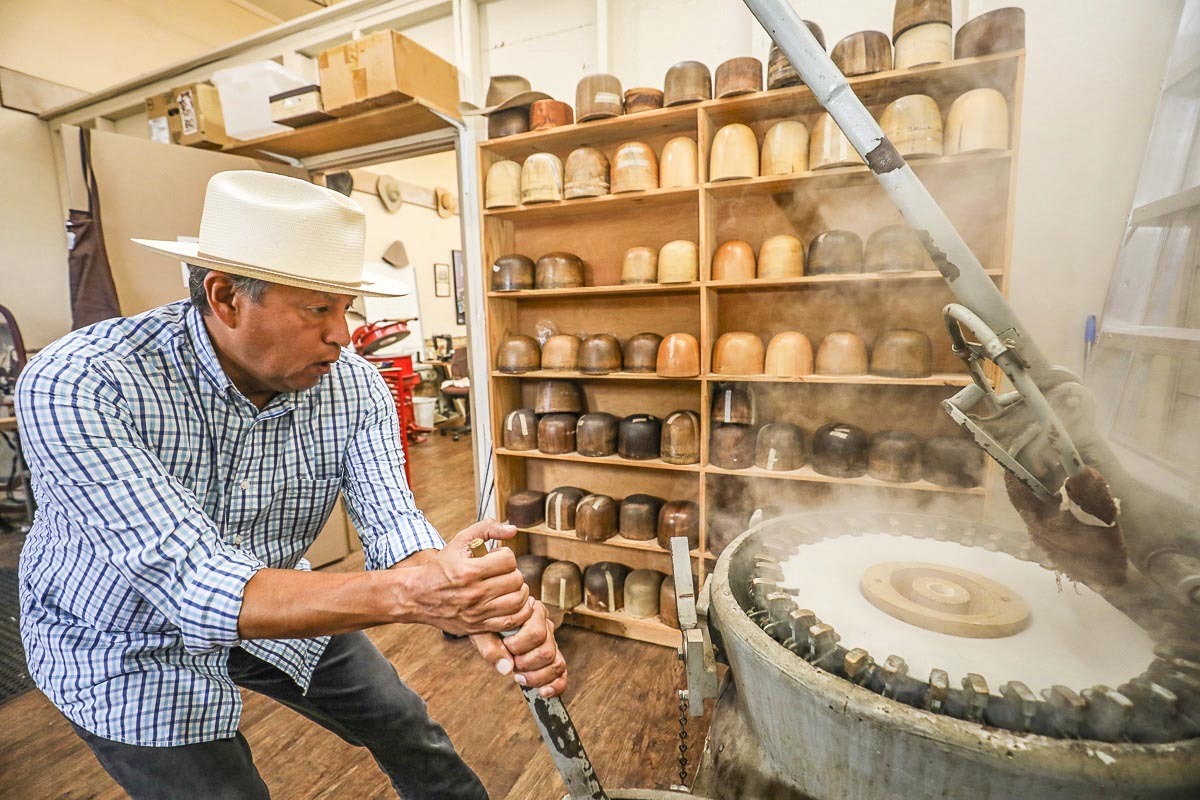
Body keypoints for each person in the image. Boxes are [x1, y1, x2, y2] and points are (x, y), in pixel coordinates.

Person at [15, 170, 565, 799]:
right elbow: (194, 586)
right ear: (225, 297)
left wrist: (471, 599)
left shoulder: (353, 386)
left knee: (403, 721)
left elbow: (393, 528)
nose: (342, 334)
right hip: (121, 635)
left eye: (346, 308)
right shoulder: (82, 382)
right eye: (318, 309)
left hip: (274, 589)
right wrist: (418, 595)